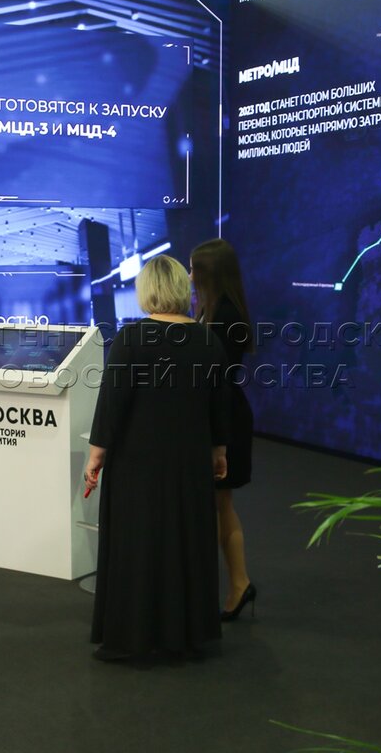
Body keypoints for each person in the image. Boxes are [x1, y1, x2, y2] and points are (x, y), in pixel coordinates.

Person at [84, 254, 229, 661]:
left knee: (138, 543)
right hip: (189, 462)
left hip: (137, 463)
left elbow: (112, 404)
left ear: (147, 290)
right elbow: (220, 406)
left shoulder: (132, 339)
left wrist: (96, 455)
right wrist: (219, 451)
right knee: (186, 542)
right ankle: (185, 634)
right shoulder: (208, 341)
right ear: (183, 289)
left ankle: (135, 636)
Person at [190, 238, 258, 621]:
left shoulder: (226, 316)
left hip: (224, 421)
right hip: (217, 417)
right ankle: (237, 583)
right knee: (219, 505)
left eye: (194, 269)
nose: (189, 276)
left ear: (210, 274)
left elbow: (215, 377)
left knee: (221, 504)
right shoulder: (213, 310)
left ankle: (238, 584)